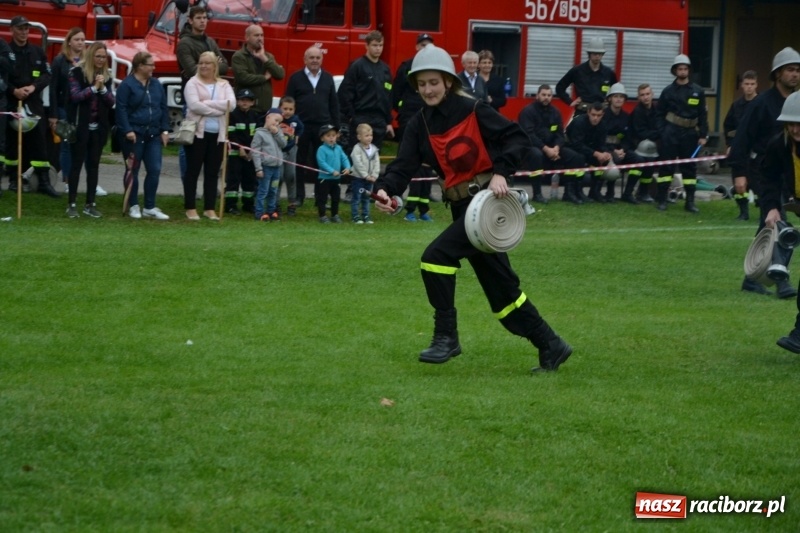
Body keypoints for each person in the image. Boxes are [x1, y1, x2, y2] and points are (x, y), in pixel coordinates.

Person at [373, 44, 573, 372]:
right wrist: (385, 190)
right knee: (504, 293)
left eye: (433, 82)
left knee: (435, 257)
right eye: (421, 84)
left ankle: (446, 337)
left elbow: (518, 138)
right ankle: (551, 344)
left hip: (488, 206)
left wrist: (500, 172)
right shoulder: (418, 123)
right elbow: (403, 165)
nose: (428, 89)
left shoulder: (474, 108)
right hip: (463, 209)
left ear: (448, 82)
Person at [730, 46, 800, 297]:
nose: (795, 74)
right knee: (778, 222)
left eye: (798, 70)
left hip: (789, 173)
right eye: (790, 70)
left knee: (767, 225)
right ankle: (781, 281)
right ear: (777, 73)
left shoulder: (796, 103)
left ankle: (751, 277)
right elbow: (742, 139)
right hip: (764, 172)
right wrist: (739, 173)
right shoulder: (761, 103)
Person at [761, 92, 800, 352]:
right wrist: (772, 207)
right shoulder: (779, 145)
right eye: (792, 123)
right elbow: (769, 178)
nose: (796, 129)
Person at [4, 15, 59, 198]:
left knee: (39, 145)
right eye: (20, 28)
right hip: (12, 103)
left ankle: (43, 181)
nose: (24, 32)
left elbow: (46, 75)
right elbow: (3, 78)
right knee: (12, 146)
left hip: (34, 105)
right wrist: (14, 91)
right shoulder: (5, 52)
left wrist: (34, 87)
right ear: (12, 30)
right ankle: (13, 180)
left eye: (27, 28)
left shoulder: (37, 52)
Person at [115, 51, 171, 220]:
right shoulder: (127, 85)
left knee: (154, 169)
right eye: (150, 65)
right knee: (133, 170)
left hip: (153, 134)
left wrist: (165, 129)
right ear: (140, 66)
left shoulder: (156, 84)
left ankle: (150, 205)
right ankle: (133, 205)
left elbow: (163, 107)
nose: (153, 67)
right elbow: (121, 109)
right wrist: (127, 130)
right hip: (134, 134)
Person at [176, 5, 228, 182]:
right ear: (190, 20)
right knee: (188, 140)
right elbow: (191, 71)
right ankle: (187, 181)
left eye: (205, 17)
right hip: (192, 100)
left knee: (209, 143)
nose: (203, 21)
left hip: (213, 98)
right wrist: (214, 64)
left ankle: (207, 185)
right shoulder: (184, 43)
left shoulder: (210, 42)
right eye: (199, 18)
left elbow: (225, 66)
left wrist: (208, 67)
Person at [183, 51, 236, 221]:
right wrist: (218, 110)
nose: (204, 66)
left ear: (215, 66)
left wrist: (207, 104)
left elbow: (232, 104)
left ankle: (209, 208)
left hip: (218, 135)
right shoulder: (192, 83)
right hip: (197, 134)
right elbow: (194, 106)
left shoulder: (224, 84)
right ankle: (190, 207)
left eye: (207, 63)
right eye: (201, 62)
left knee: (212, 173)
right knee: (193, 171)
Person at [284, 46, 340, 207]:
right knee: (299, 162)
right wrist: (288, 127)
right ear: (305, 59)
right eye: (311, 57)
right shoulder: (295, 78)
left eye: (318, 57)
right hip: (301, 128)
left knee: (322, 163)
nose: (315, 60)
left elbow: (334, 104)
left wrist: (335, 128)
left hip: (323, 128)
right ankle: (299, 196)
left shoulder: (328, 78)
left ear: (322, 59)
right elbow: (288, 103)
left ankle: (320, 197)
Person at [64, 41, 115, 218]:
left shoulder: (107, 76)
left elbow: (111, 102)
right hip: (80, 127)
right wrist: (94, 88)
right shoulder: (76, 72)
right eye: (98, 56)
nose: (101, 60)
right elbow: (75, 96)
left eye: (104, 57)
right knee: (76, 165)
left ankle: (90, 203)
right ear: (91, 55)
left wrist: (101, 90)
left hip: (98, 128)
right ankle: (71, 203)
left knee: (93, 166)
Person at [49, 27, 101, 195]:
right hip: (66, 109)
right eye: (77, 39)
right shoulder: (59, 61)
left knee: (87, 145)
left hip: (85, 109)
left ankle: (90, 182)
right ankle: (67, 180)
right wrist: (54, 114)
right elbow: (53, 89)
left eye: (82, 39)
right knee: (67, 145)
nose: (80, 42)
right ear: (69, 41)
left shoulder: (89, 60)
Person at [655, 54, 708, 213]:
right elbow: (659, 113)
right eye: (680, 69)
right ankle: (662, 200)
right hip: (670, 132)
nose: (683, 71)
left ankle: (690, 202)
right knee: (667, 167)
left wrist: (703, 135)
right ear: (675, 71)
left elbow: (702, 115)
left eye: (685, 69)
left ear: (689, 71)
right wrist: (662, 132)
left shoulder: (698, 91)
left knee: (689, 168)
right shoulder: (668, 91)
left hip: (690, 134)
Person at [392, 33, 436, 222]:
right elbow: (395, 93)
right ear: (417, 47)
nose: (426, 48)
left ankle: (423, 207)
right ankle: (403, 202)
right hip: (409, 119)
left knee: (427, 165)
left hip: (429, 120)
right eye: (423, 45)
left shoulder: (436, 68)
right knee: (407, 161)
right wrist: (403, 110)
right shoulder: (407, 66)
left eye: (429, 45)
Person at [517, 84, 586, 204]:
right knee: (536, 155)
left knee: (575, 157)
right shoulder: (528, 111)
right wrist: (546, 149)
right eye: (543, 95)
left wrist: (557, 148)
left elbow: (560, 134)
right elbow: (529, 135)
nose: (546, 98)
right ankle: (537, 194)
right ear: (537, 95)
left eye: (549, 95)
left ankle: (568, 193)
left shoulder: (555, 112)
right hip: (532, 147)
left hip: (553, 148)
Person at [338, 30, 394, 151]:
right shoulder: (357, 66)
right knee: (358, 157)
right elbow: (345, 93)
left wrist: (388, 121)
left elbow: (388, 97)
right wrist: (351, 117)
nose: (378, 49)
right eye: (374, 45)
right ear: (366, 45)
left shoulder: (385, 69)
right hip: (361, 117)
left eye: (381, 45)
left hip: (379, 120)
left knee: (374, 158)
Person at [601, 83, 645, 204]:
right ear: (610, 98)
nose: (619, 99)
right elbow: (600, 138)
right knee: (615, 159)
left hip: (622, 150)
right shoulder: (603, 115)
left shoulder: (627, 117)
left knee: (639, 161)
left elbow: (629, 138)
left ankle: (627, 193)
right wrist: (613, 151)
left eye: (621, 96)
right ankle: (609, 193)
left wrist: (623, 150)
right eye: (616, 96)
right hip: (605, 149)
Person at [723, 70, 758, 221]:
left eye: (752, 84)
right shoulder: (736, 106)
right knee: (739, 184)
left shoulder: (761, 103)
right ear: (741, 85)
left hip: (758, 151)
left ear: (757, 85)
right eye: (746, 84)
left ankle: (764, 211)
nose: (749, 87)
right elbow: (729, 127)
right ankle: (743, 212)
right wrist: (730, 145)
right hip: (740, 151)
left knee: (758, 183)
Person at [232, 24, 285, 119]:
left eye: (262, 35)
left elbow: (280, 75)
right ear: (247, 38)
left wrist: (263, 58)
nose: (260, 38)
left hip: (264, 111)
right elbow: (243, 78)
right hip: (246, 110)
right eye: (256, 35)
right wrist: (264, 77)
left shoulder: (268, 57)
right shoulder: (239, 56)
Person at [556, 37, 617, 117]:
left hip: (602, 114)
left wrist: (610, 101)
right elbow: (560, 87)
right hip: (582, 113)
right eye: (594, 54)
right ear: (589, 54)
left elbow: (616, 90)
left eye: (600, 54)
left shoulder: (608, 72)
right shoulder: (577, 71)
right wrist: (570, 102)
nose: (597, 56)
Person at [566, 102, 613, 203]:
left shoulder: (603, 125)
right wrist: (596, 153)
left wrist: (606, 153)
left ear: (603, 115)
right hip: (571, 147)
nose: (596, 118)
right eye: (593, 115)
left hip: (589, 149)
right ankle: (575, 191)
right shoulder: (579, 122)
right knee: (580, 157)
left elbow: (602, 143)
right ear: (588, 112)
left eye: (599, 115)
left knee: (603, 160)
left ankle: (594, 191)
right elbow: (576, 144)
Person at [224, 89, 259, 215]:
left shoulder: (255, 116)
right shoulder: (232, 115)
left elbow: (257, 135)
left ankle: (248, 204)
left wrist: (252, 150)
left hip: (250, 154)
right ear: (237, 101)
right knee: (233, 179)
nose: (244, 102)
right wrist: (240, 148)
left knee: (249, 179)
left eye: (248, 100)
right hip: (235, 153)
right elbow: (231, 134)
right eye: (242, 100)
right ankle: (230, 205)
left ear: (252, 102)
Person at [251, 108, 287, 221]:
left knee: (273, 190)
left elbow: (284, 144)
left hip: (277, 167)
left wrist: (276, 133)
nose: (276, 123)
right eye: (275, 120)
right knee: (263, 190)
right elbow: (255, 152)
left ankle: (271, 211)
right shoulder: (259, 133)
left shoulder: (278, 132)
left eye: (279, 122)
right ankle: (259, 212)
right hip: (265, 167)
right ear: (268, 117)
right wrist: (258, 169)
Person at [628, 83, 660, 203]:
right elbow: (641, 133)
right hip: (636, 145)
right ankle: (631, 192)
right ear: (638, 98)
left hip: (652, 145)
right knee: (644, 161)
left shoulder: (657, 109)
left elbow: (661, 126)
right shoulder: (638, 112)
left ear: (652, 94)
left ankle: (653, 192)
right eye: (642, 95)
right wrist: (657, 134)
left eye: (647, 94)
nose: (645, 97)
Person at [316, 124, 351, 223]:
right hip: (324, 179)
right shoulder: (321, 149)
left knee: (336, 198)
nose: (331, 138)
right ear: (322, 138)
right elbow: (321, 162)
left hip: (336, 179)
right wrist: (332, 171)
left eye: (333, 135)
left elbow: (344, 158)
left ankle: (334, 215)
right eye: (328, 136)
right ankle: (322, 216)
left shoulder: (338, 148)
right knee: (322, 198)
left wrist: (347, 167)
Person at [278, 95, 304, 216]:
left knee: (291, 176)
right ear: (279, 108)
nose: (287, 112)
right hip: (278, 151)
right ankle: (275, 203)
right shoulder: (276, 119)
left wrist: (297, 136)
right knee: (278, 177)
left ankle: (291, 203)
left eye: (290, 109)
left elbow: (301, 128)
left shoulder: (295, 120)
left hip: (291, 150)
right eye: (285, 108)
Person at [350, 123, 379, 224]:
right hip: (359, 178)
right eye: (366, 135)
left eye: (371, 135)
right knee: (357, 197)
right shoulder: (357, 149)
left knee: (366, 198)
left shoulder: (374, 149)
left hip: (370, 179)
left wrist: (374, 175)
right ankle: (355, 216)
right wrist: (365, 175)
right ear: (359, 137)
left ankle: (366, 215)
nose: (369, 138)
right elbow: (358, 163)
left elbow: (377, 163)